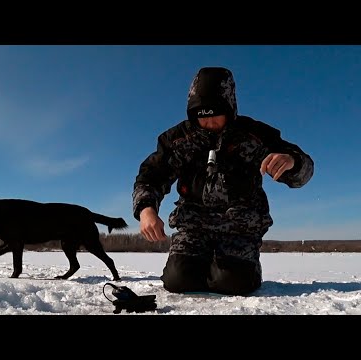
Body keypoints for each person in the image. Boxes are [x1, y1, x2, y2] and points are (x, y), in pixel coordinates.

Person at [132, 66, 314, 295]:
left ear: (229, 109)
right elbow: (150, 176)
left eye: (215, 114)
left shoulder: (254, 134)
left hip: (239, 227)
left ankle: (244, 266)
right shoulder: (177, 139)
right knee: (178, 281)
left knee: (233, 283)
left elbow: (304, 169)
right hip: (194, 226)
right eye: (202, 115)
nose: (208, 122)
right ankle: (199, 262)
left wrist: (292, 162)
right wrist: (146, 209)